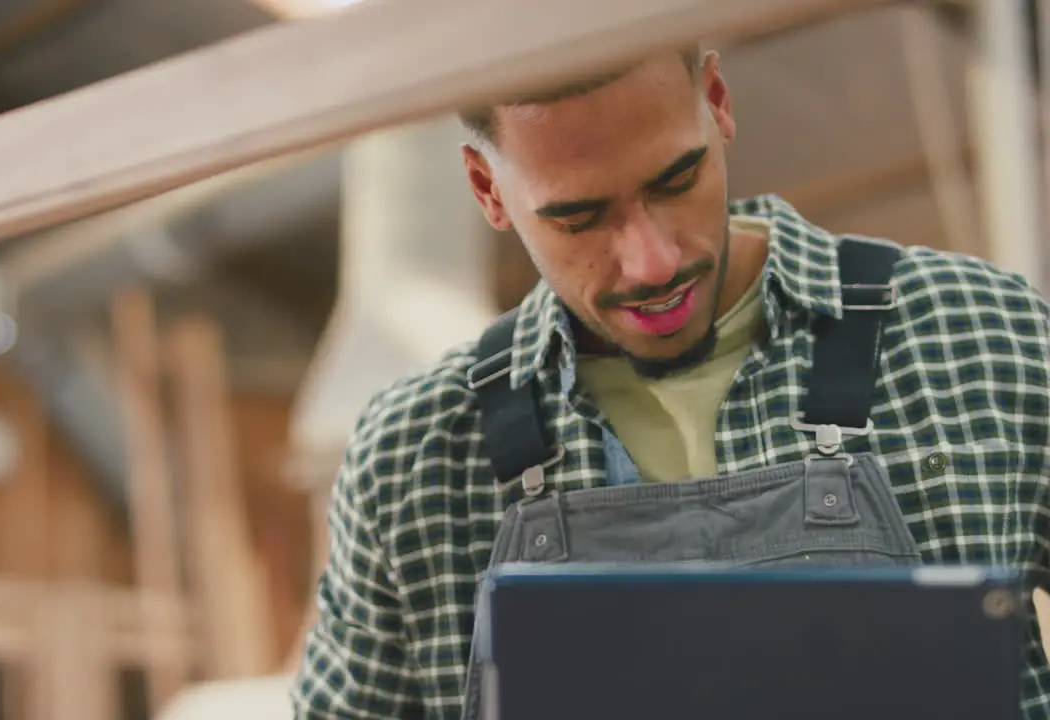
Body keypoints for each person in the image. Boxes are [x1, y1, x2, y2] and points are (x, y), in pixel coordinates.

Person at [290, 46, 1050, 719]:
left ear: (717, 100)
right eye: (580, 217)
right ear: (487, 188)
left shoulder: (984, 336)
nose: (652, 262)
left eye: (677, 178)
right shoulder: (413, 462)